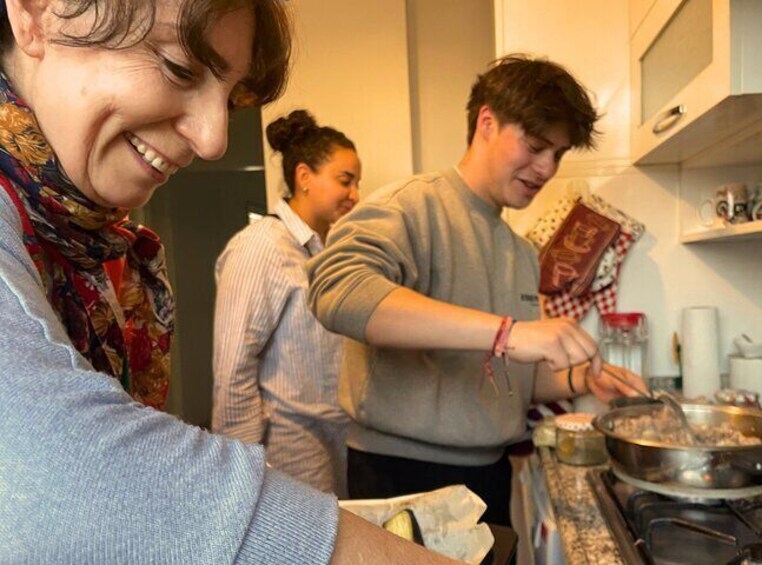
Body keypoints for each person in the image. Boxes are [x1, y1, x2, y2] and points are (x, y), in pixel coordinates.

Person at [0, 1, 458, 562]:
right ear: (35, 12)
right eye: (177, 67)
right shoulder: (259, 247)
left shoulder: (83, 241)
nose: (214, 140)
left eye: (231, 100)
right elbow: (62, 469)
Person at [307, 54, 648, 527]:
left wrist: (581, 381)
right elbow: (338, 293)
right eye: (535, 145)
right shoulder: (411, 206)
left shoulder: (521, 251)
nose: (547, 168)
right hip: (402, 478)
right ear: (487, 122)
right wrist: (509, 333)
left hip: (490, 474)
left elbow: (511, 381)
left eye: (558, 154)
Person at [213, 109, 361, 496]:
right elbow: (233, 367)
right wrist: (240, 470)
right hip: (286, 448)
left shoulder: (325, 251)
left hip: (334, 439)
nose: (355, 195)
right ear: (304, 177)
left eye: (356, 183)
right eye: (345, 181)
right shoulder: (262, 245)